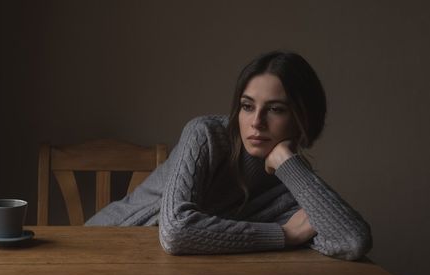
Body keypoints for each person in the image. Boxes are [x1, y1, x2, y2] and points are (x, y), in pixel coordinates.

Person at [85, 50, 372, 261]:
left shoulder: (293, 184)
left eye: (276, 109)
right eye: (247, 106)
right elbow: (176, 231)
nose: (256, 121)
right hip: (101, 246)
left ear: (303, 119)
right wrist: (284, 235)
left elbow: (352, 240)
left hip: (161, 268)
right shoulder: (207, 134)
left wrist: (289, 164)